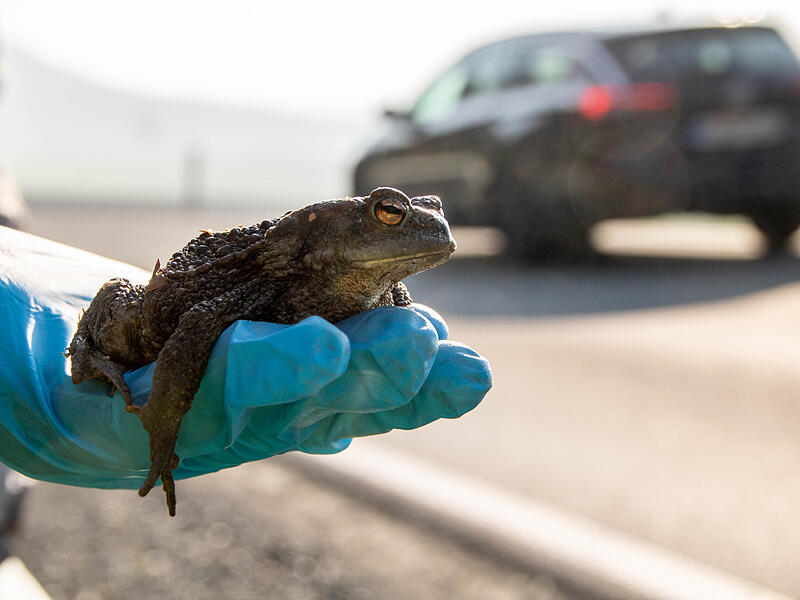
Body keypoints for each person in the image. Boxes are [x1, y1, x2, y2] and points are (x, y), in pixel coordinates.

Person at [0, 225, 491, 490]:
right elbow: (197, 324)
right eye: (390, 214)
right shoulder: (282, 267)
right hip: (167, 310)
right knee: (129, 328)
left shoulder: (380, 286)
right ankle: (89, 351)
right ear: (337, 231)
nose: (427, 224)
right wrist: (164, 424)